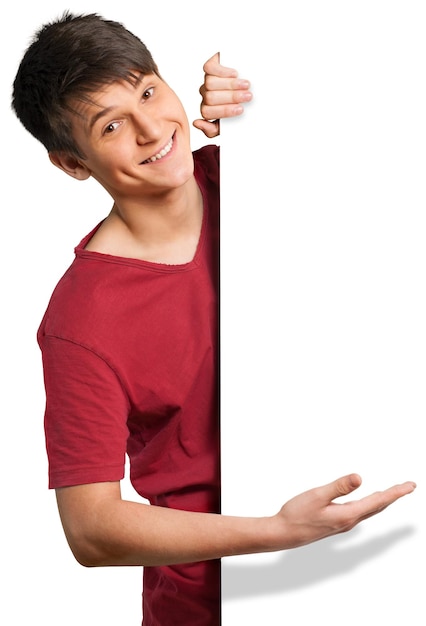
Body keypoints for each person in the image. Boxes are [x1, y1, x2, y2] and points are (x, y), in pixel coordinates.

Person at [12, 11, 415, 626]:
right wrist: (278, 531)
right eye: (114, 125)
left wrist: (268, 89)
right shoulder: (81, 319)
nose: (152, 130)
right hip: (210, 606)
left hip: (371, 570)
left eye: (148, 90)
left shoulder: (259, 176)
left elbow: (387, 109)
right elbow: (90, 532)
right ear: (73, 164)